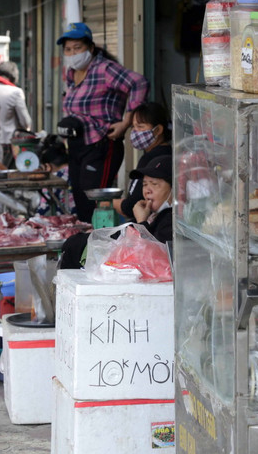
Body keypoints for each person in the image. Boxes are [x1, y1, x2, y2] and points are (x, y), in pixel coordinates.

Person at [58, 21, 149, 222]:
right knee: (80, 199)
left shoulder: (104, 69)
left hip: (101, 144)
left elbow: (138, 83)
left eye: (78, 48)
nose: (72, 53)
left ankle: (103, 244)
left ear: (90, 47)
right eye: (68, 49)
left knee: (94, 201)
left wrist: (127, 121)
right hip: (76, 145)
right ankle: (87, 247)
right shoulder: (71, 73)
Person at [58, 154, 172, 270]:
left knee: (74, 247)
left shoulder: (170, 220)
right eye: (144, 184)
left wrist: (142, 221)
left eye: (154, 184)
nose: (147, 191)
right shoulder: (152, 215)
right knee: (75, 242)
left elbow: (149, 256)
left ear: (174, 189)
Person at [112, 102, 172, 220]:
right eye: (133, 127)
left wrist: (108, 202)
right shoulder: (167, 152)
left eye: (140, 127)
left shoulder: (151, 159)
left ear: (158, 130)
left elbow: (131, 206)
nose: (135, 132)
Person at [0, 60, 32, 169]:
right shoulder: (15, 92)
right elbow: (26, 122)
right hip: (7, 144)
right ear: (13, 77)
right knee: (8, 176)